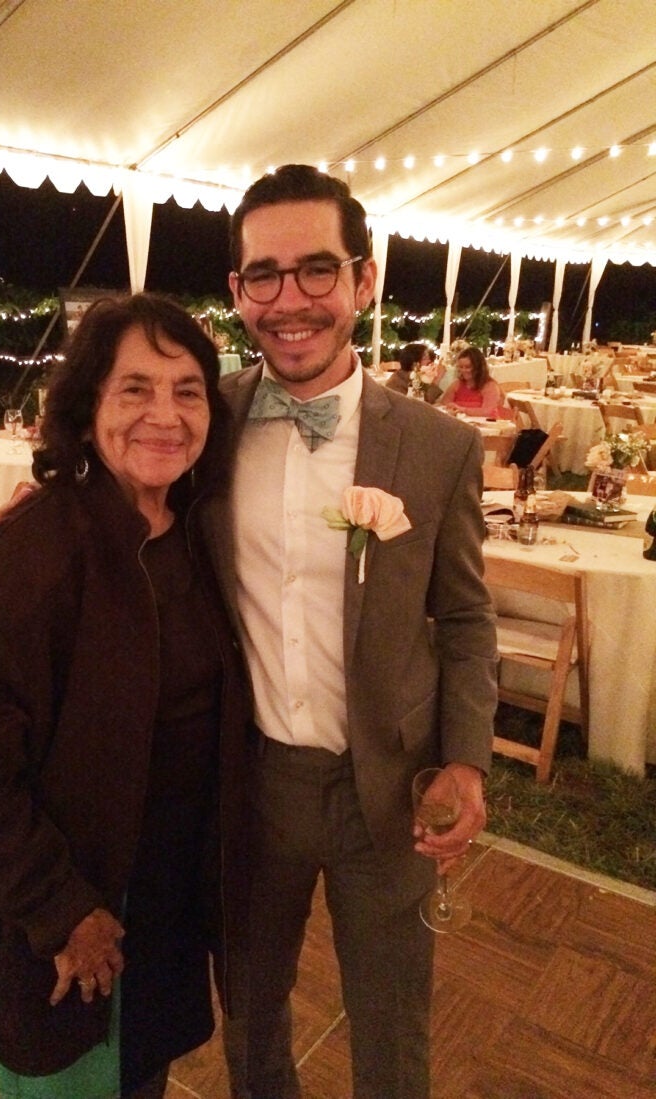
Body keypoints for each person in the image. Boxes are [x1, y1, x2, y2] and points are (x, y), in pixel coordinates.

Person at [0, 293, 252, 1099]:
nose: (164, 414)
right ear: (87, 402)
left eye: (188, 389)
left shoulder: (190, 529)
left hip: (163, 895)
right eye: (134, 388)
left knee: (140, 1079)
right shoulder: (28, 557)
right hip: (72, 910)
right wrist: (63, 910)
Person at [212, 164, 497, 1099]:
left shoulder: (438, 445)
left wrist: (466, 759)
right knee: (250, 1010)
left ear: (364, 280)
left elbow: (462, 616)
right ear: (236, 291)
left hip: (389, 788)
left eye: (317, 270)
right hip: (249, 783)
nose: (290, 300)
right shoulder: (203, 425)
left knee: (391, 1022)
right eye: (265, 274)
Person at [439, 345, 505, 416]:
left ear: (478, 367)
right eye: (461, 367)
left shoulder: (490, 386)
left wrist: (461, 409)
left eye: (468, 367)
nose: (463, 370)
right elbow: (444, 404)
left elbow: (488, 411)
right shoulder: (456, 384)